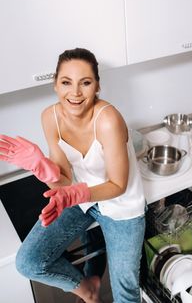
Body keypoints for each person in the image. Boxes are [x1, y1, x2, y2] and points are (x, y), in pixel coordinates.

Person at [0, 48, 146, 303]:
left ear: (97, 86)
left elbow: (118, 184)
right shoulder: (50, 117)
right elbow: (64, 179)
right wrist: (40, 166)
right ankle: (87, 289)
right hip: (79, 198)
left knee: (126, 291)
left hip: (121, 205)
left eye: (85, 82)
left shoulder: (108, 120)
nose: (75, 93)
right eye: (66, 82)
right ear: (55, 85)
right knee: (28, 262)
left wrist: (77, 192)